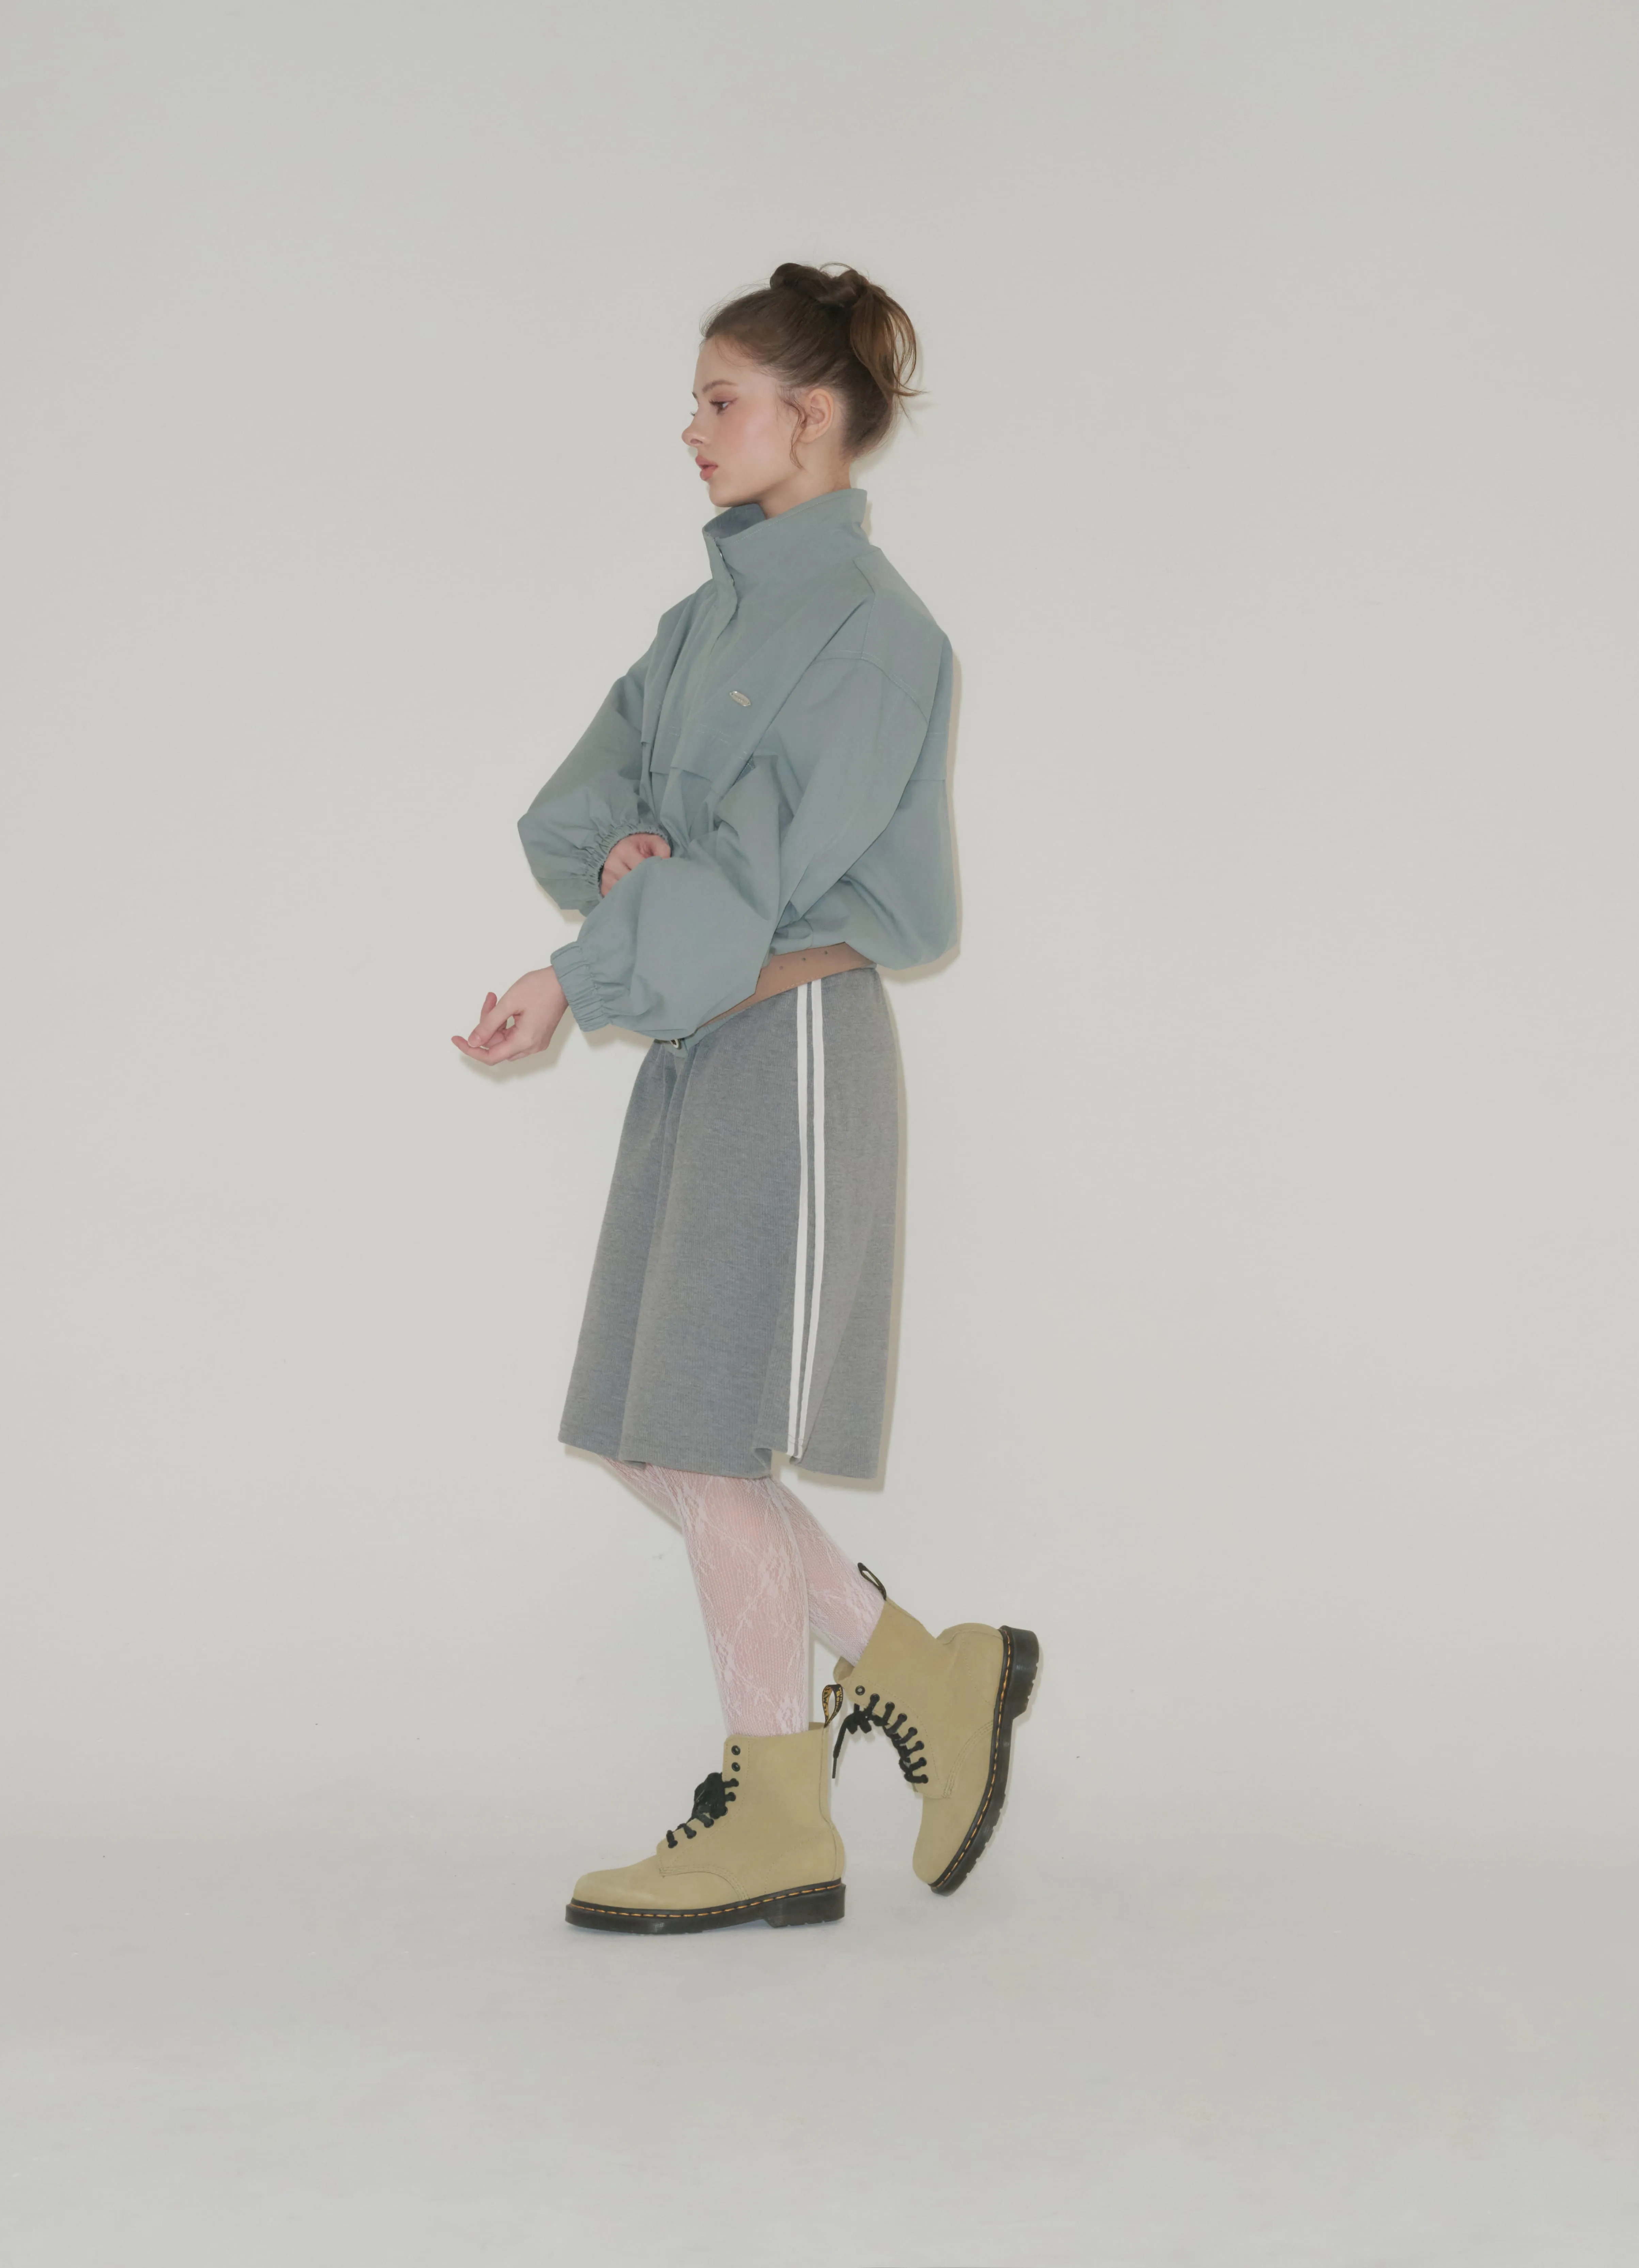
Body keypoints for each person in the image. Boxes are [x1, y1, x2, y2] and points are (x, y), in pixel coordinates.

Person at [453, 261, 1038, 1935]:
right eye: (699, 400)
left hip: (791, 1039)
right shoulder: (703, 619)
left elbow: (757, 883)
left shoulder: (877, 638)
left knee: (700, 1437)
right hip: (698, 1040)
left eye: (722, 400)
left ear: (815, 414)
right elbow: (577, 806)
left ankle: (780, 1811)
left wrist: (582, 972)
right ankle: (925, 1672)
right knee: (652, 1432)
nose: (694, 430)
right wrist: (626, 866)